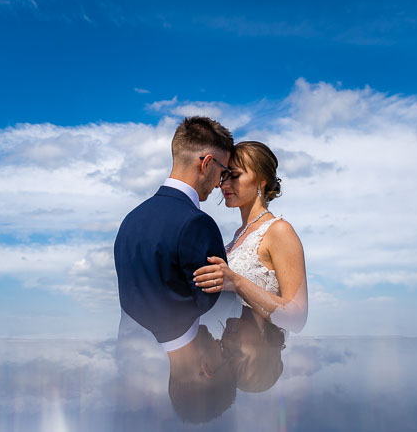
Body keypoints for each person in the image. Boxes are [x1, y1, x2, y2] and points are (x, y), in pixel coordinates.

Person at [113, 115, 238, 423]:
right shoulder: (197, 224)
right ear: (207, 163)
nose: (221, 184)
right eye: (223, 173)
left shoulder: (130, 220)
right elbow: (215, 302)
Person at [193, 141, 308, 333]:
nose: (224, 185)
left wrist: (237, 282)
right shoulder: (236, 237)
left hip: (262, 358)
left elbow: (297, 317)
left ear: (261, 180)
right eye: (223, 176)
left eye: (235, 175)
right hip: (228, 355)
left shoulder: (279, 231)